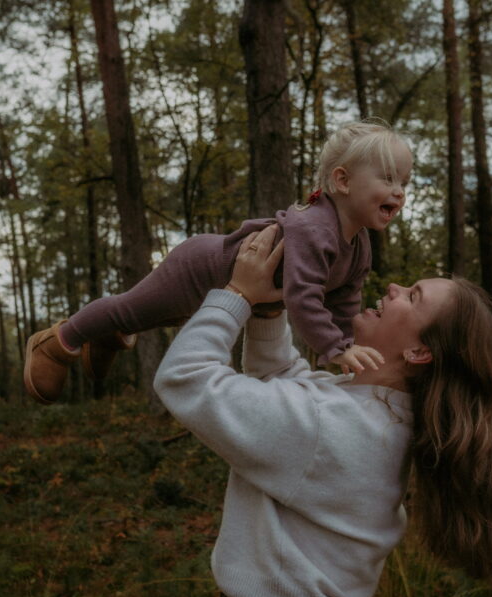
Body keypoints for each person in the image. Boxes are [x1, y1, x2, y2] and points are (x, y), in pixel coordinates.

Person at [152, 224, 492, 597]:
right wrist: (270, 309)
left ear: (418, 353)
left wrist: (236, 295)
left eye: (412, 297)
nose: (392, 287)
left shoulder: (331, 426)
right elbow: (287, 385)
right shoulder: (380, 413)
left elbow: (184, 378)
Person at [23, 120, 413, 404]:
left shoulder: (358, 245)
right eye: (388, 179)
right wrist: (335, 348)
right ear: (343, 181)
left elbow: (345, 300)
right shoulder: (317, 229)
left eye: (405, 183)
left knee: (159, 318)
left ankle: (109, 335)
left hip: (236, 293)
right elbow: (303, 296)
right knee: (132, 307)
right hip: (201, 266)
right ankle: (59, 342)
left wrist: (347, 341)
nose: (398, 192)